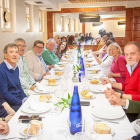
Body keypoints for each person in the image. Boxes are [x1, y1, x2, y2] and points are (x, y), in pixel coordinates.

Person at [0, 43, 27, 111]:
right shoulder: (1, 70)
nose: (14, 54)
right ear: (5, 55)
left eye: (16, 52)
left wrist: (25, 99)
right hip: (9, 105)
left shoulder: (16, 68)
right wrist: (21, 102)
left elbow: (19, 87)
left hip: (18, 100)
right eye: (11, 52)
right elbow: (4, 94)